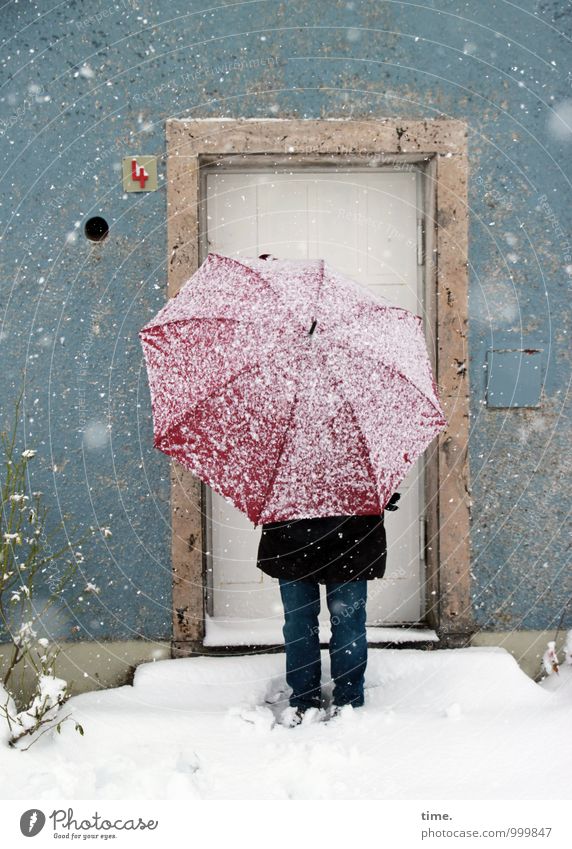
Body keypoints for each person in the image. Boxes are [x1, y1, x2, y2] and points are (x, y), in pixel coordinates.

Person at [256, 493, 400, 725]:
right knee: (303, 624)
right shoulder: (283, 462)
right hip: (295, 534)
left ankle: (346, 699)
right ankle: (306, 699)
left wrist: (381, 493)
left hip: (349, 534)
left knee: (341, 623)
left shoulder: (358, 460)